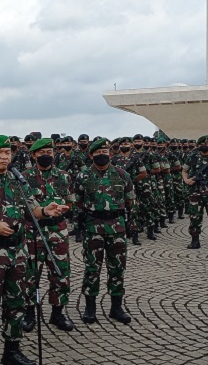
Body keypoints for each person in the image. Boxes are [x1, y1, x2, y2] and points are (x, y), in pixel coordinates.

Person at [0, 135, 66, 365]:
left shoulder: (18, 181)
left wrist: (47, 210)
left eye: (8, 153)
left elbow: (33, 211)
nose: (5, 157)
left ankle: (12, 351)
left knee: (16, 302)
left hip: (18, 252)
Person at [74, 138, 134, 325]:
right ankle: (90, 307)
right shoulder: (83, 176)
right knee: (92, 268)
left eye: (105, 152)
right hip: (94, 227)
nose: (102, 155)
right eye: (98, 153)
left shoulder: (122, 175)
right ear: (91, 155)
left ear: (110, 153)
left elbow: (130, 199)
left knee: (117, 268)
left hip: (117, 227)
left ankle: (116, 307)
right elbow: (78, 200)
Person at [22, 138, 75, 332]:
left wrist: (64, 209)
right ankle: (28, 313)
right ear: (34, 154)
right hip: (32, 231)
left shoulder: (64, 176)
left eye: (50, 152)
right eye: (42, 152)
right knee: (30, 274)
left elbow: (71, 201)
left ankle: (58, 313)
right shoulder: (24, 178)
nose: (46, 156)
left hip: (57, 231)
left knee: (60, 272)